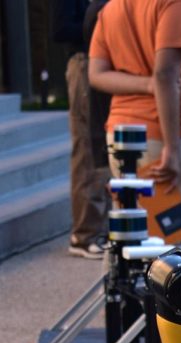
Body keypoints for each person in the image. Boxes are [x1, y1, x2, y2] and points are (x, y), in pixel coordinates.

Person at [89, 0, 181, 232]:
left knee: (138, 234)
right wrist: (172, 148)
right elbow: (164, 73)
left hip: (123, 137)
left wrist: (162, 84)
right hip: (178, 134)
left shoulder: (112, 7)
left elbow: (97, 74)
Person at [55, 0, 111, 258]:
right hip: (84, 62)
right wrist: (102, 22)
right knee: (88, 147)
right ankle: (85, 233)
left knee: (105, 146)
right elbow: (61, 29)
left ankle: (104, 228)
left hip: (105, 62)